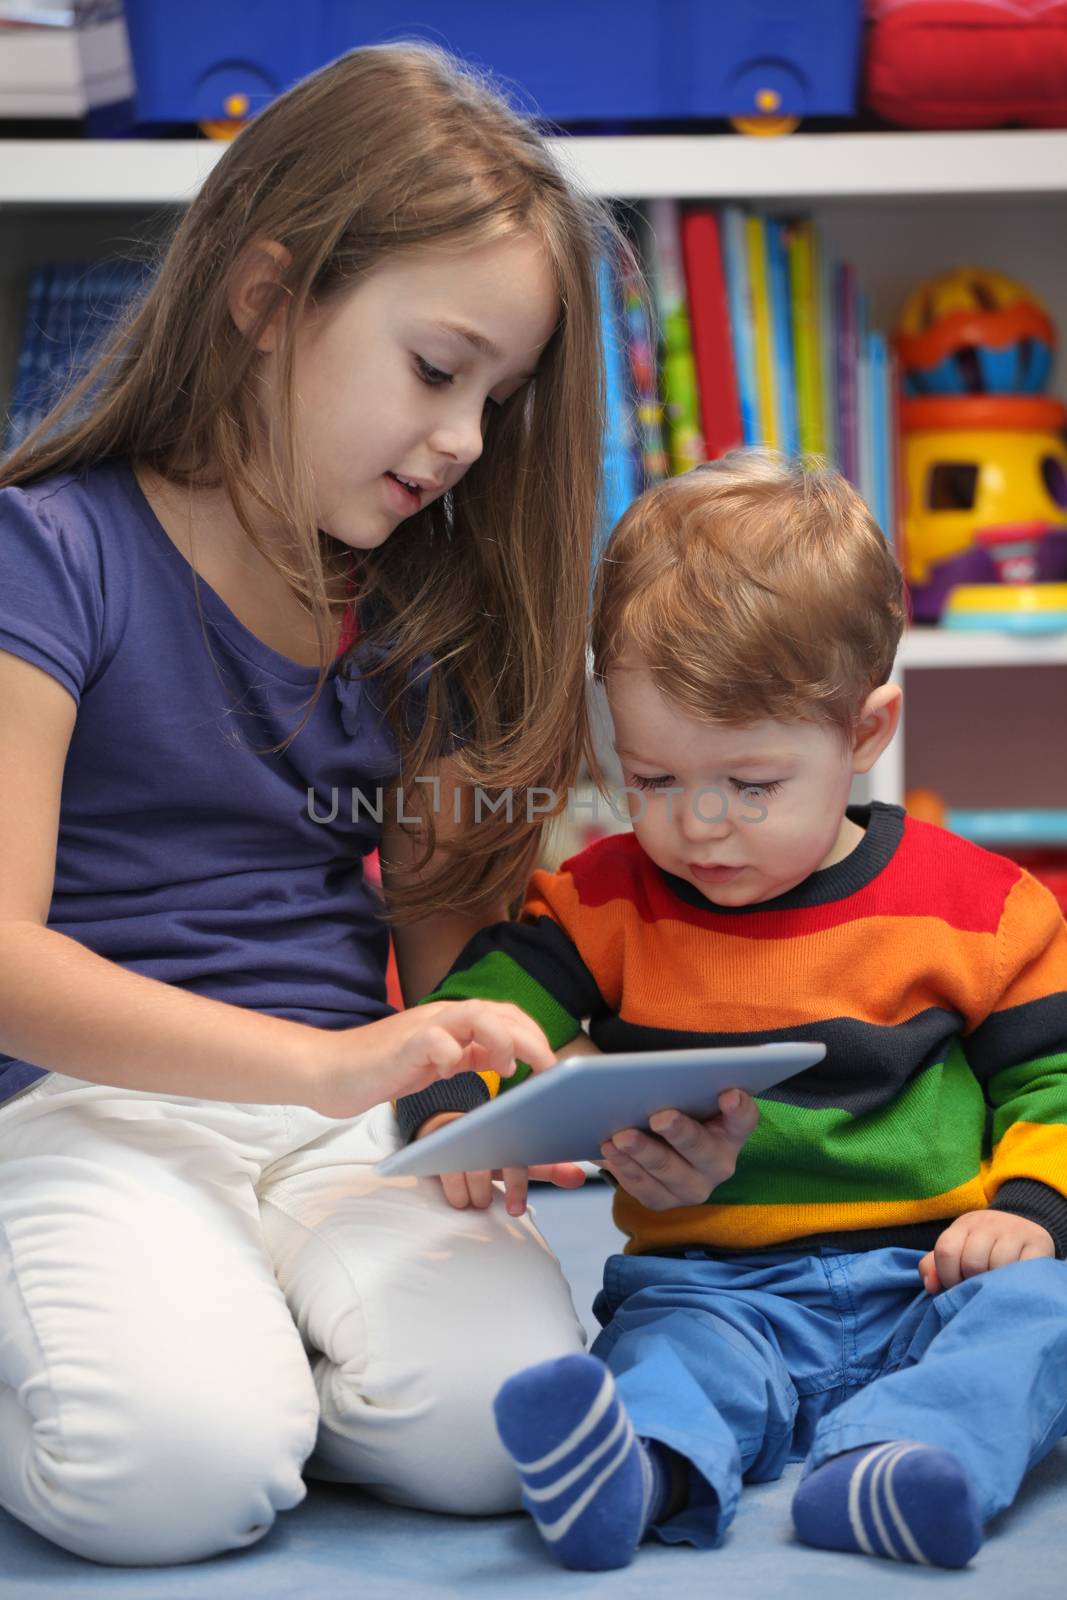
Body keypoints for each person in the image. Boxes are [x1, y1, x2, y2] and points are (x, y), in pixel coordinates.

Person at [0, 41, 657, 1567]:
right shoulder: (50, 556)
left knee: (503, 1432)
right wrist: (320, 1065)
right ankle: (175, 1349)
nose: (465, 442)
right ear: (265, 300)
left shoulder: (422, 621)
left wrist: (529, 1095)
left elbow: (447, 980)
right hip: (89, 1115)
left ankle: (231, 1334)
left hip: (341, 1134)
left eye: (497, 395)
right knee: (169, 1478)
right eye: (438, 369)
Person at [396, 449, 1067, 1573]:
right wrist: (455, 1101)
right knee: (662, 1360)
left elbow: (1050, 1078)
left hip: (931, 1277)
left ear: (863, 732)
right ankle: (633, 1472)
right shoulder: (603, 898)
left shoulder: (983, 908)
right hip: (709, 1285)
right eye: (652, 779)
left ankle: (901, 1461)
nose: (697, 824)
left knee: (1040, 1317)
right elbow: (471, 1009)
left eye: (749, 786)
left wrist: (1030, 1207)